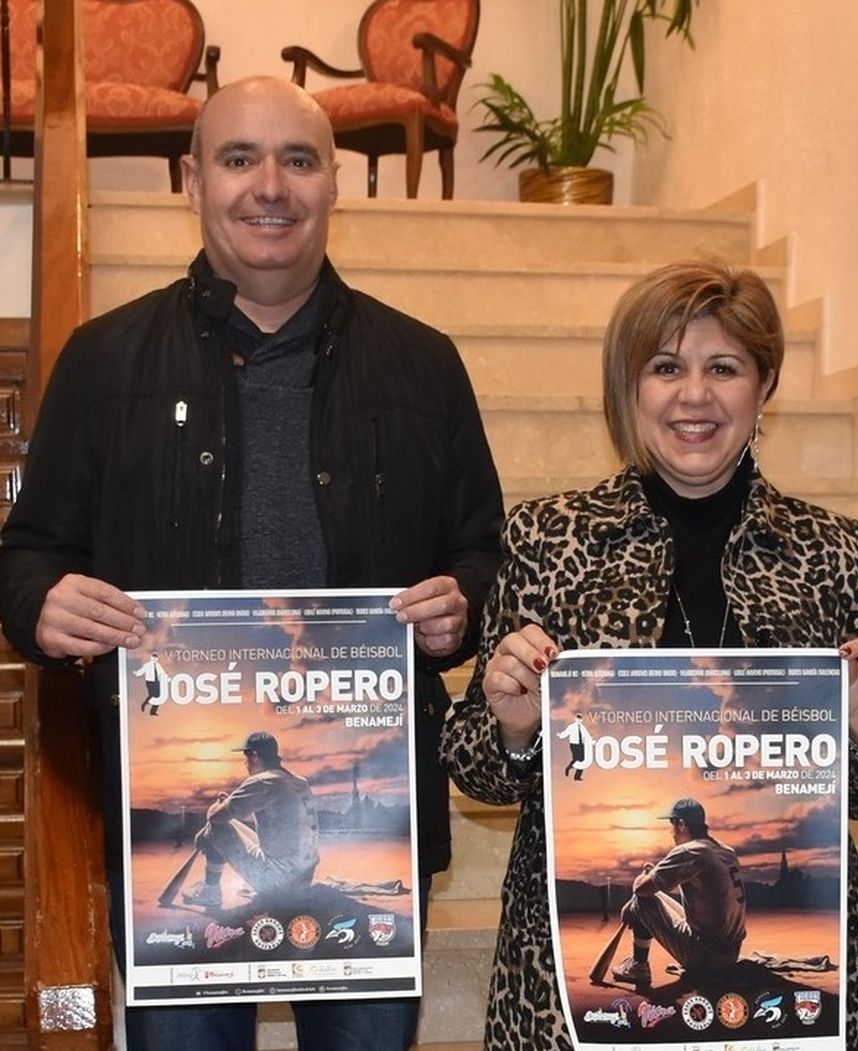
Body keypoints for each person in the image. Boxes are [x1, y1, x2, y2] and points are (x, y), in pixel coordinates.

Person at [0, 77, 503, 1050]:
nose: (269, 186)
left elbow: (478, 548)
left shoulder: (424, 363)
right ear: (191, 179)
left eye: (298, 160)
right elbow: (28, 552)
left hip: (376, 835)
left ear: (335, 184)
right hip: (157, 816)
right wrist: (41, 604)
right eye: (239, 159)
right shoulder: (104, 362)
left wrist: (462, 605)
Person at [441, 260, 858, 1050]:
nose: (693, 395)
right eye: (666, 366)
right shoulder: (546, 536)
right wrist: (515, 727)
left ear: (764, 387)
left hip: (788, 1018)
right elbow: (478, 769)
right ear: (629, 387)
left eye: (723, 368)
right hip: (563, 987)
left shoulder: (831, 550)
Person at [610, 797, 746, 985]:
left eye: (671, 825)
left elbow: (642, 889)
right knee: (650, 895)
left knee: (643, 900)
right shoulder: (725, 850)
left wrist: (639, 887)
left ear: (681, 825)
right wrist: (652, 877)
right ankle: (638, 962)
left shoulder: (691, 850)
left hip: (706, 958)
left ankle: (638, 966)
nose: (671, 832)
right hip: (730, 953)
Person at [185, 731, 319, 909]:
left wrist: (216, 811)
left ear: (255, 756)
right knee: (226, 823)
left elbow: (216, 817)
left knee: (217, 827)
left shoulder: (263, 781)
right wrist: (227, 804)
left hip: (279, 884)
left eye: (245, 756)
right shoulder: (299, 781)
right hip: (305, 877)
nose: (245, 763)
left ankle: (210, 891)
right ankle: (212, 887)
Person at [130, 649, 169, 716]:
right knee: (152, 695)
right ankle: (145, 704)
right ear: (151, 658)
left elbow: (162, 673)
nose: (155, 659)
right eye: (154, 657)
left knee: (158, 697)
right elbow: (141, 671)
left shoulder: (158, 665)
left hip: (157, 682)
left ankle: (153, 711)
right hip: (150, 682)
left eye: (156, 657)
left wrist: (167, 679)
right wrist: (136, 673)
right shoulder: (147, 665)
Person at [557, 711, 593, 779]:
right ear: (575, 719)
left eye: (580, 719)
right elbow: (565, 733)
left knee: (582, 760)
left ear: (581, 720)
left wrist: (591, 741)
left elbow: (587, 735)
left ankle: (577, 776)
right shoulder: (572, 727)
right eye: (578, 718)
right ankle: (568, 768)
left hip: (581, 745)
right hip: (574, 745)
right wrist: (560, 735)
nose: (579, 720)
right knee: (576, 759)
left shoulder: (582, 727)